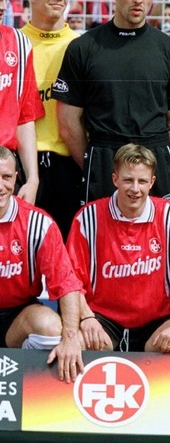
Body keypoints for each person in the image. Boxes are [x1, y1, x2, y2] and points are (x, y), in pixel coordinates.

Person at [55, 0, 170, 206]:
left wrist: (148, 161)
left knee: (162, 240)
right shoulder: (83, 48)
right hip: (104, 157)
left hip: (155, 156)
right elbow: (68, 123)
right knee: (101, 241)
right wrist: (95, 161)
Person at [66, 144, 170, 353]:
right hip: (102, 322)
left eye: (142, 181)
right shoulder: (88, 218)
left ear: (152, 182)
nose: (135, 189)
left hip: (156, 323)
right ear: (115, 179)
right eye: (128, 180)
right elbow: (69, 279)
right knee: (74, 345)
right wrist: (86, 317)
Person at [0, 146, 83, 383]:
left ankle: (24, 384)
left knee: (49, 326)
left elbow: (66, 284)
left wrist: (70, 337)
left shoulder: (38, 222)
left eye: (6, 177)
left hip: (17, 317)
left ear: (16, 178)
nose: (0, 186)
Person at [21, 0, 82, 238]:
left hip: (67, 164)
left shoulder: (81, 46)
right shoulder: (14, 43)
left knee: (67, 256)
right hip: (21, 163)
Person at [0, 0, 43, 206]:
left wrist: (33, 178)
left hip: (6, 166)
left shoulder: (19, 44)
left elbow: (25, 117)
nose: (2, 6)